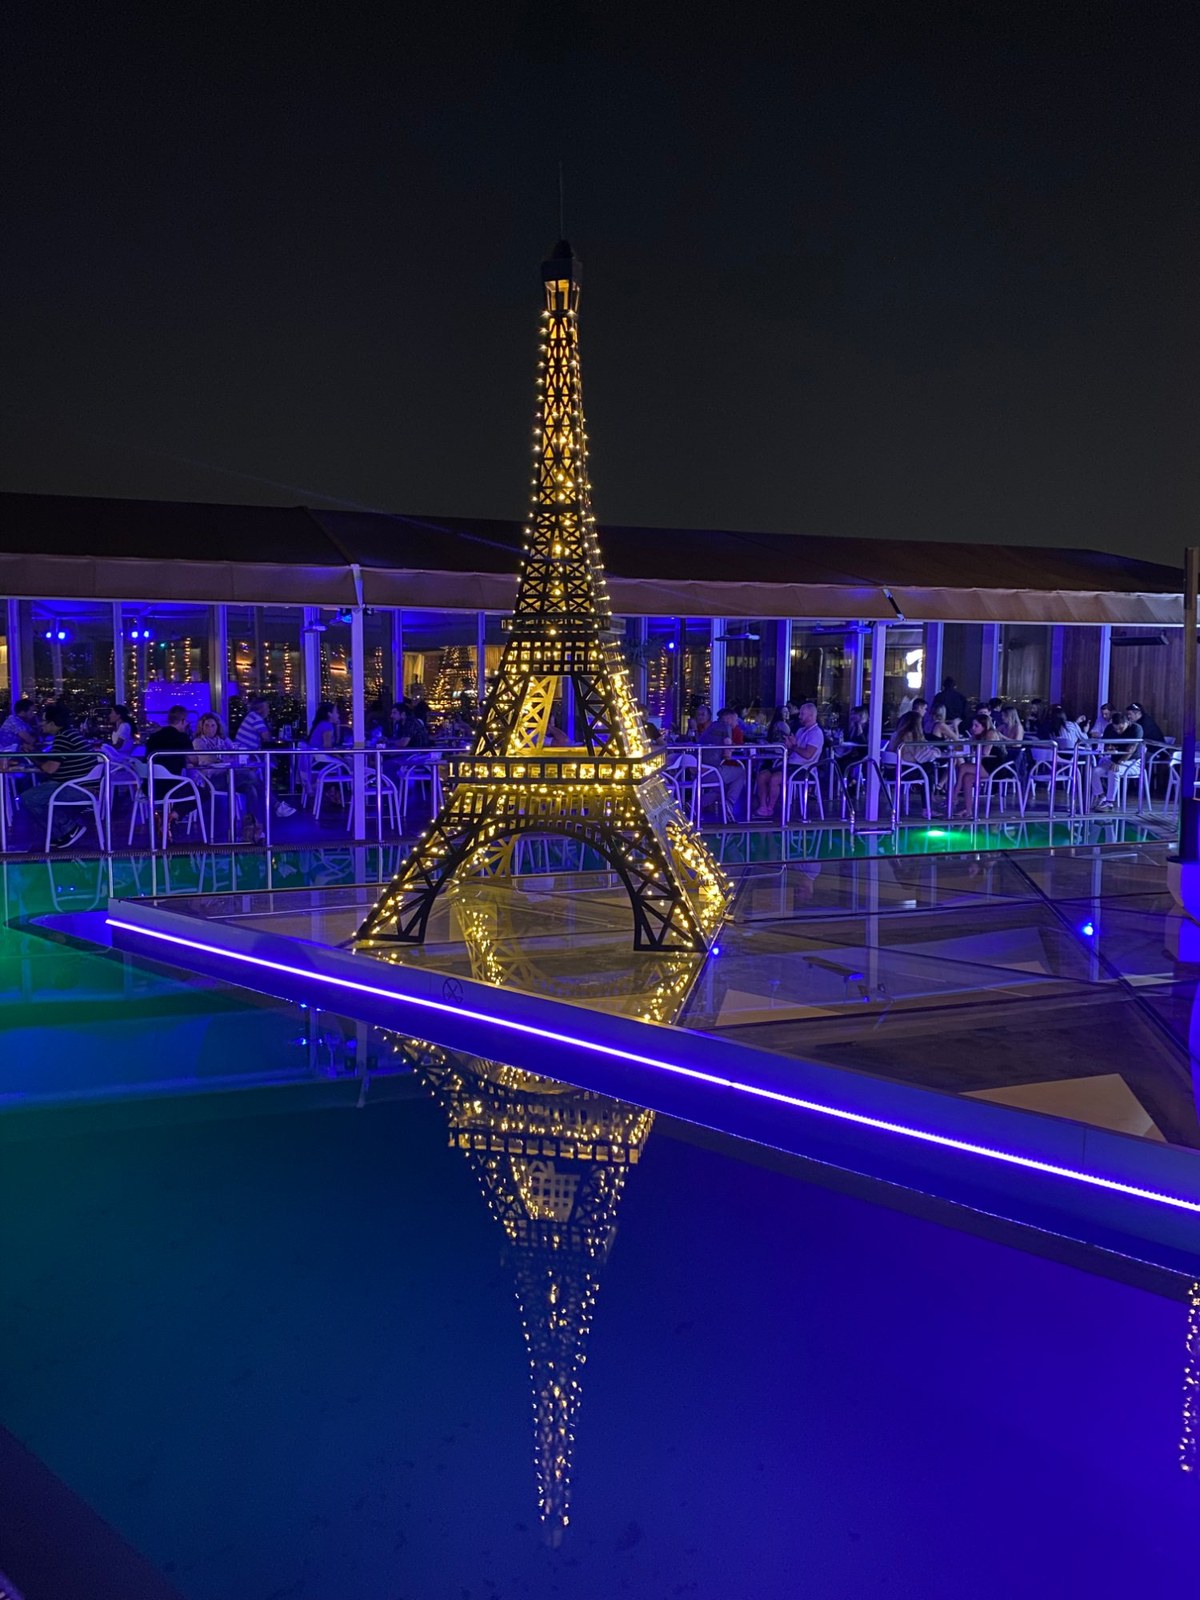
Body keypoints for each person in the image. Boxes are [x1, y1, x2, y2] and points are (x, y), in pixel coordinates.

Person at [18, 701, 97, 849]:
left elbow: (49, 769)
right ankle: (60, 834)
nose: (41, 724)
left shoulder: (63, 737)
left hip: (78, 789)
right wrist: (35, 752)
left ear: (53, 723)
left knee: (28, 798)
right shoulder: (70, 734)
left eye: (43, 721)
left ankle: (69, 829)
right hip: (82, 786)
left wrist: (32, 755)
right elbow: (54, 762)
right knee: (38, 794)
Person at [234, 697, 297, 819]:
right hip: (245, 755)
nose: (268, 710)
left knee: (266, 767)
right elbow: (266, 737)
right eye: (267, 707)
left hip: (247, 754)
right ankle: (275, 805)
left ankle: (273, 804)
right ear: (261, 708)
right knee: (269, 764)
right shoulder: (255, 718)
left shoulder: (251, 717)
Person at [951, 712, 1004, 818]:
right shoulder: (978, 736)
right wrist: (957, 746)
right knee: (967, 778)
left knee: (963, 766)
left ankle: (954, 795)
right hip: (986, 765)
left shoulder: (991, 733)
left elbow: (986, 753)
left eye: (976, 726)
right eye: (973, 725)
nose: (973, 728)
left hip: (997, 768)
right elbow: (964, 747)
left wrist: (972, 747)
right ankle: (968, 810)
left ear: (984, 726)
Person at [1091, 711, 1142, 810]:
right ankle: (1101, 796)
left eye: (1121, 728)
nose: (1118, 731)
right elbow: (1105, 745)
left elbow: (1131, 750)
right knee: (1095, 771)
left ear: (1127, 722)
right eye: (1116, 729)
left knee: (1113, 772)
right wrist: (1108, 749)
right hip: (1113, 758)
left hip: (1131, 762)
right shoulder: (1109, 728)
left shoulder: (1136, 729)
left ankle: (1109, 802)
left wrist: (1119, 762)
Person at [699, 707, 746, 811]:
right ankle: (729, 803)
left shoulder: (710, 727)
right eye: (736, 720)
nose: (737, 724)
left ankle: (695, 804)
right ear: (728, 719)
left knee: (721, 788)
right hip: (710, 771)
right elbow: (727, 754)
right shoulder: (726, 728)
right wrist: (732, 748)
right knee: (741, 773)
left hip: (696, 770)